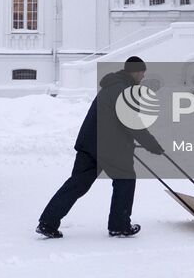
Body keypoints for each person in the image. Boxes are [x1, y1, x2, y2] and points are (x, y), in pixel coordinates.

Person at [36, 56, 163, 239]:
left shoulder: (112, 86)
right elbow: (133, 123)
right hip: (108, 147)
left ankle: (47, 222)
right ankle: (119, 225)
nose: (143, 76)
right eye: (142, 72)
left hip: (89, 143)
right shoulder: (122, 90)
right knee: (125, 179)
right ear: (135, 72)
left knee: (77, 184)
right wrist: (153, 145)